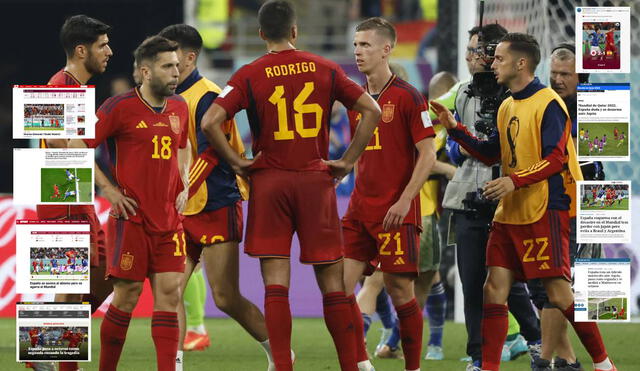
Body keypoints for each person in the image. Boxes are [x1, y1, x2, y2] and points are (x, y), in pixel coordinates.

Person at [200, 1, 381, 370]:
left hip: (270, 182)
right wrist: (347, 160)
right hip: (316, 182)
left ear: (262, 33)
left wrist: (237, 163)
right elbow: (372, 111)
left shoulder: (249, 73)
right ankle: (352, 365)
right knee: (332, 282)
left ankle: (282, 364)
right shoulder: (325, 68)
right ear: (295, 31)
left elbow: (210, 122)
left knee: (275, 283)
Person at [432, 32, 617, 371]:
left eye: (499, 58)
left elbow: (554, 160)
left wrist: (512, 180)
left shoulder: (548, 104)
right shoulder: (507, 105)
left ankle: (602, 363)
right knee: (494, 287)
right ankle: (491, 366)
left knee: (558, 295)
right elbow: (492, 153)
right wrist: (455, 128)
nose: (493, 63)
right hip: (511, 210)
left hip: (545, 208)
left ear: (520, 63)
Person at [157, 23, 277, 370]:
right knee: (170, 292)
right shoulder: (169, 97)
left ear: (190, 57)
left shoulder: (208, 94)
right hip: (183, 207)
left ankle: (280, 355)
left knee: (226, 297)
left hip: (215, 201)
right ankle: (173, 364)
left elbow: (212, 154)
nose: (167, 61)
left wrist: (181, 189)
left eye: (173, 54)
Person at [69, 35, 190, 371]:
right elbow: (77, 142)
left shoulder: (179, 107)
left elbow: (183, 146)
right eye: (167, 66)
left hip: (168, 220)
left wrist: (185, 181)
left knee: (169, 296)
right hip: (131, 219)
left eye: (177, 66)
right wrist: (107, 189)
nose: (175, 72)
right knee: (127, 297)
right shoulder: (118, 107)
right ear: (145, 71)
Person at [440, 24, 541, 371]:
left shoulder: (520, 95)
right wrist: (456, 140)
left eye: (478, 51)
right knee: (472, 283)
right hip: (468, 195)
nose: (471, 57)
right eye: (470, 50)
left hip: (511, 200)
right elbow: (462, 149)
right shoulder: (463, 94)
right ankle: (479, 358)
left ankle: (536, 338)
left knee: (513, 284)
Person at [341, 17, 436, 371]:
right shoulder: (356, 100)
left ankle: (413, 367)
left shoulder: (408, 97)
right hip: (359, 210)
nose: (358, 51)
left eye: (365, 45)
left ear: (386, 49)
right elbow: (360, 154)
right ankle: (360, 361)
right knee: (338, 290)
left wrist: (405, 199)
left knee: (399, 291)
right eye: (355, 45)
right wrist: (340, 170)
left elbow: (427, 154)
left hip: (396, 212)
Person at [38, 20, 114, 371]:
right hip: (61, 194)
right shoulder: (58, 87)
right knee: (71, 284)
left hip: (72, 194)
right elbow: (58, 144)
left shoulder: (76, 89)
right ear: (81, 50)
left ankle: (48, 348)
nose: (109, 52)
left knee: (97, 279)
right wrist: (107, 185)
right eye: (102, 45)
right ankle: (50, 355)